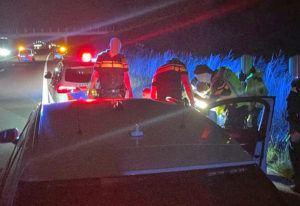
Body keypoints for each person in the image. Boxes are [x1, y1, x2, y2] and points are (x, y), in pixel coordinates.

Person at [287, 78, 300, 192]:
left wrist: (296, 131)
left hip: (297, 131)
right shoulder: (294, 93)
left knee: (295, 155)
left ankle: (298, 184)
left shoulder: (295, 95)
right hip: (295, 129)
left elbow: (294, 113)